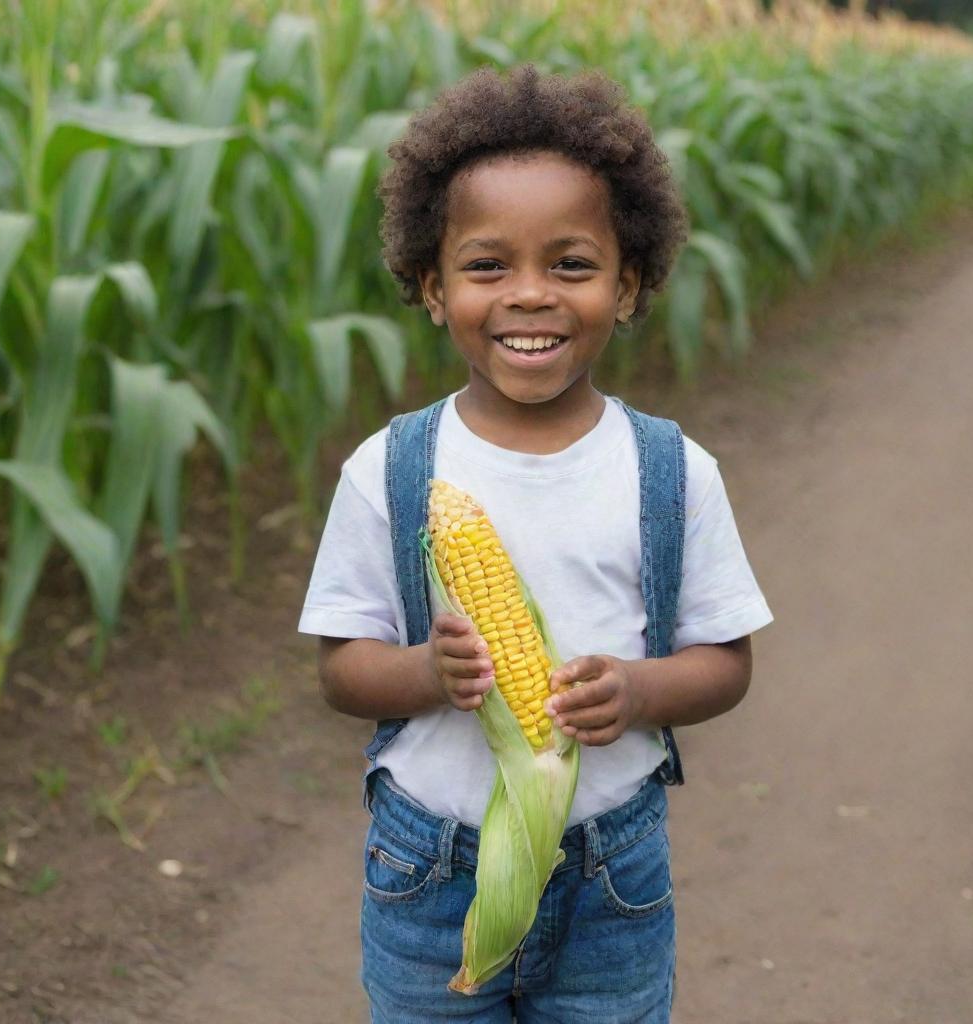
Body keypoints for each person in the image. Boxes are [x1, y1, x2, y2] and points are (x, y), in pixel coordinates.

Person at [298, 63, 773, 1023]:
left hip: (612, 870)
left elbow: (726, 662)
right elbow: (341, 671)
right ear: (431, 288)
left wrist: (640, 691)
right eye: (486, 267)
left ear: (629, 285)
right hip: (426, 863)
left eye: (571, 264)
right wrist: (429, 675)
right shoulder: (390, 470)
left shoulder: (671, 472)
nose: (529, 296)